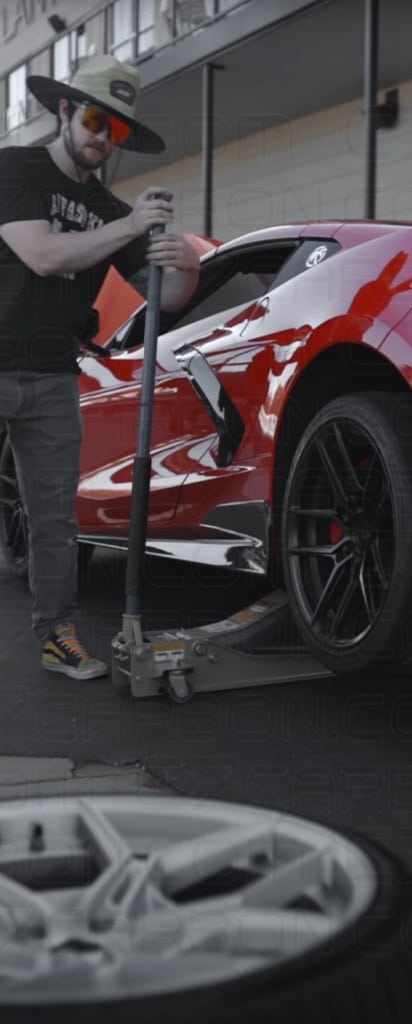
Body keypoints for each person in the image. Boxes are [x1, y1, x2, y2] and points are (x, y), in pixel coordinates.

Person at [0, 55, 199, 679]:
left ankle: (58, 636)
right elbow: (41, 254)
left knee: (56, 518)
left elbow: (163, 297)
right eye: (92, 120)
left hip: (56, 376)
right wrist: (132, 225)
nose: (100, 138)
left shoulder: (114, 213)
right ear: (63, 111)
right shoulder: (14, 169)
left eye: (113, 130)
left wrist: (184, 261)